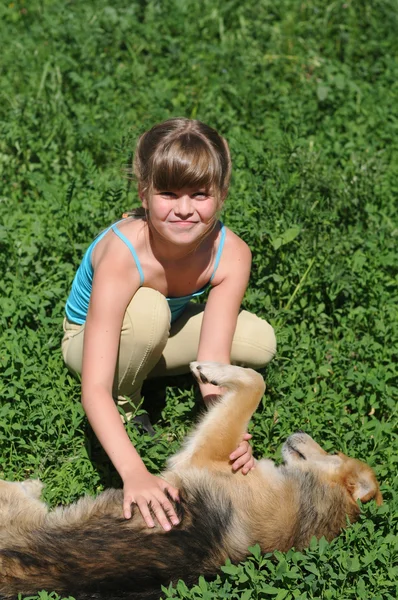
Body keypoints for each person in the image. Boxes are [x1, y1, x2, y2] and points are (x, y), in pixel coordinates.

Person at [61, 117, 276, 532]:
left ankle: (148, 367)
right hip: (91, 342)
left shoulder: (231, 253)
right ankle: (129, 403)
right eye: (168, 193)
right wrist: (135, 473)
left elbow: (212, 360)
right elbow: (93, 389)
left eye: (200, 194)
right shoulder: (124, 254)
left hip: (159, 331)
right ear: (144, 193)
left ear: (222, 194)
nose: (183, 208)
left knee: (258, 341)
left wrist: (229, 427)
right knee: (148, 313)